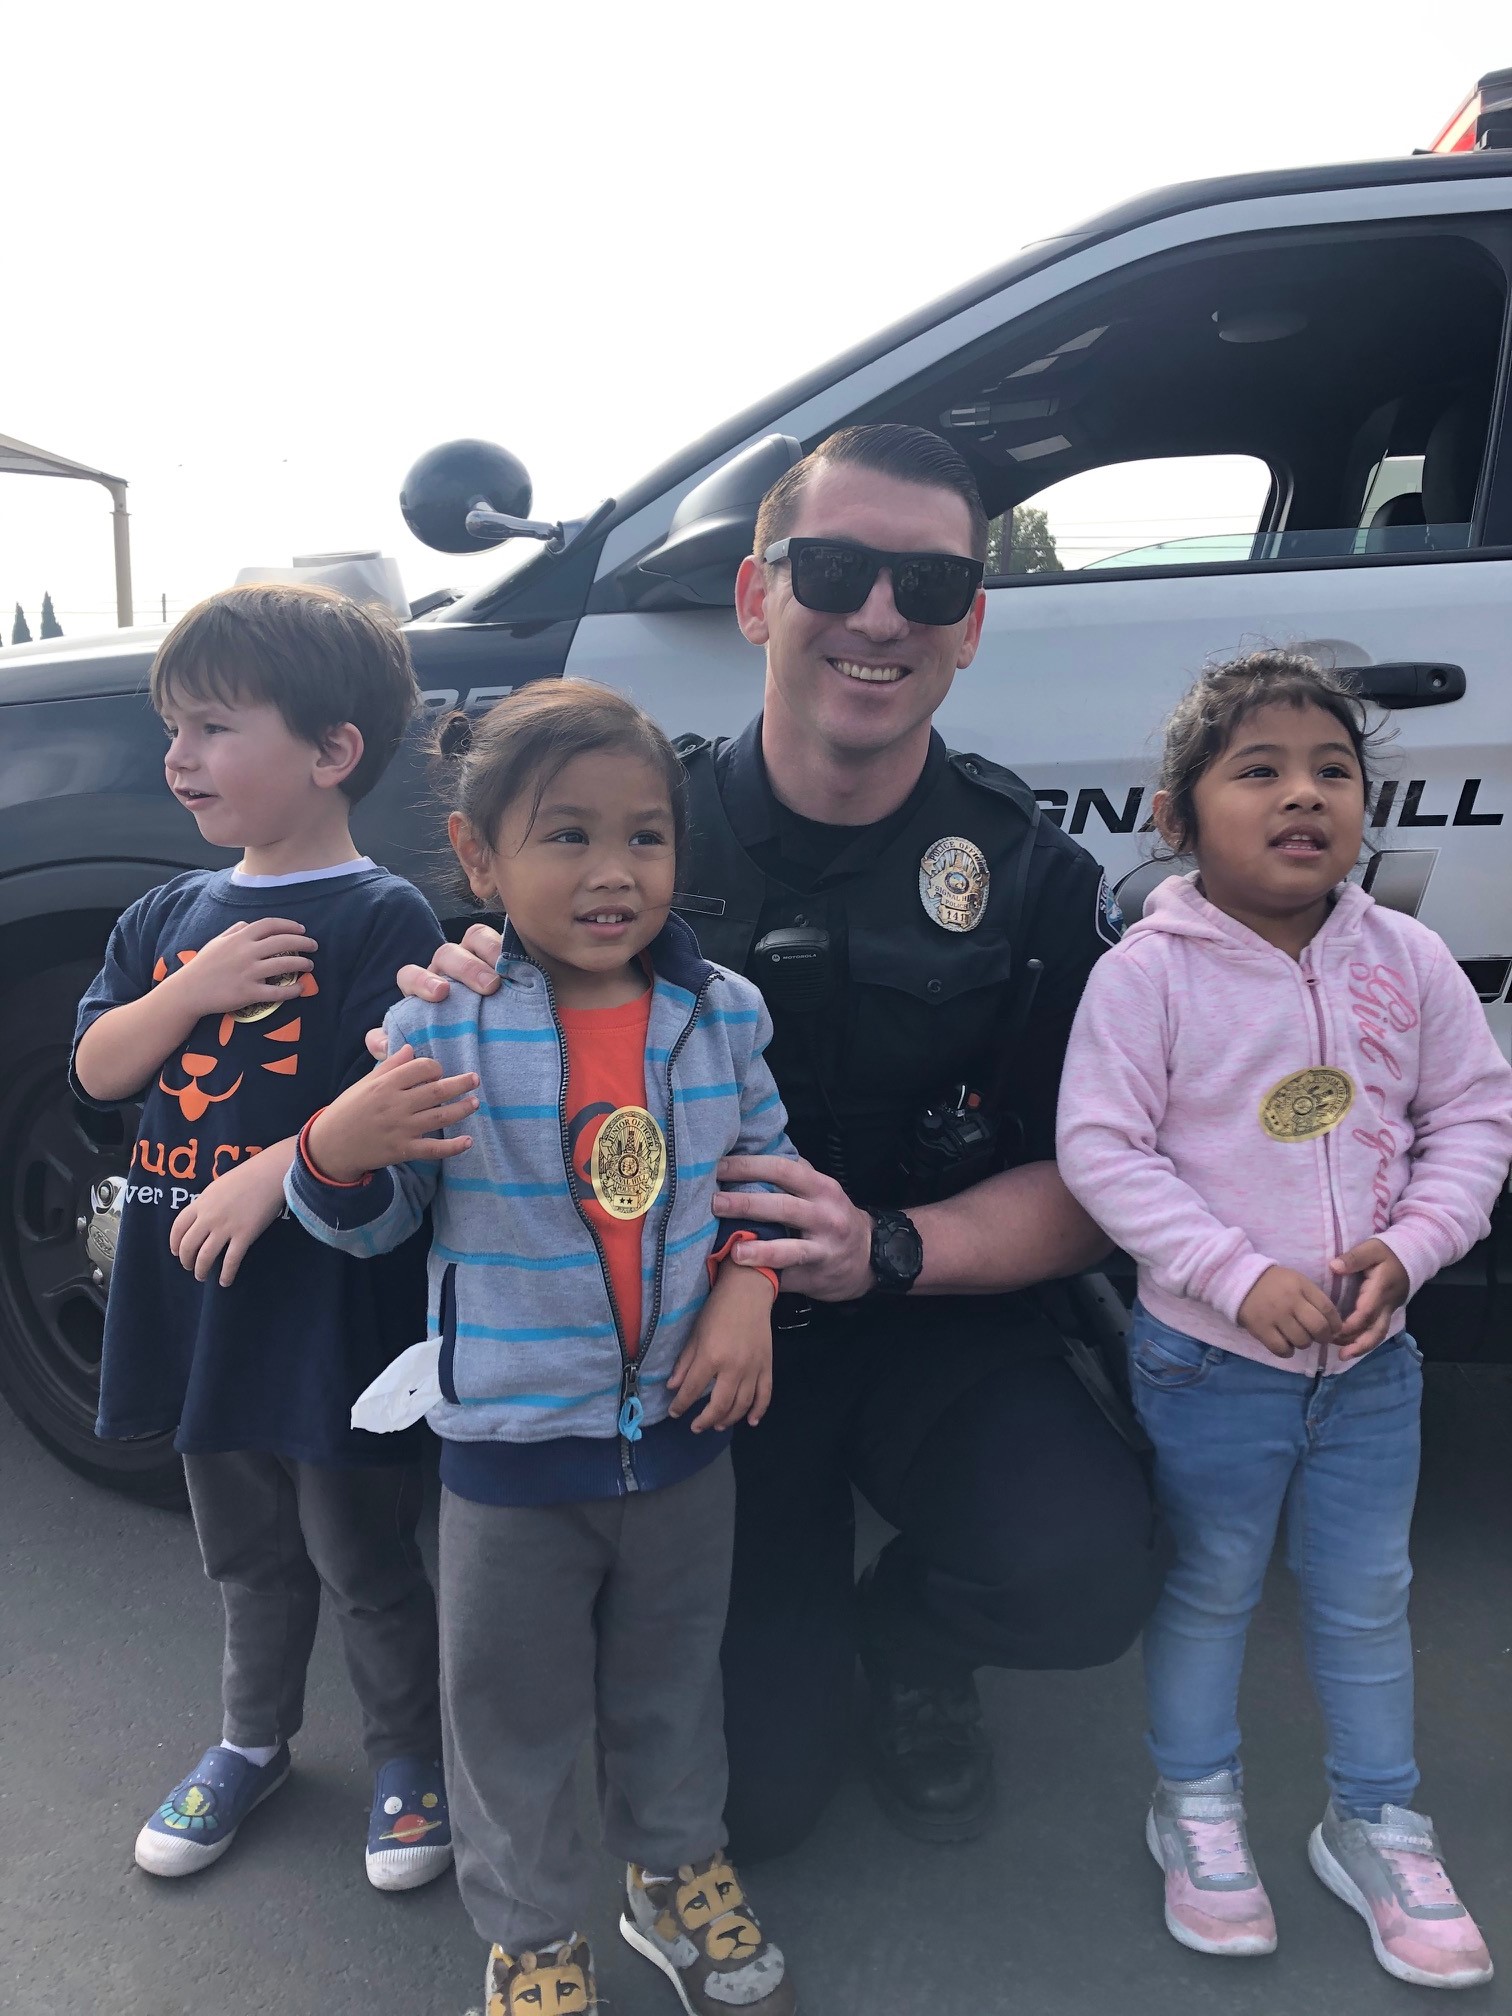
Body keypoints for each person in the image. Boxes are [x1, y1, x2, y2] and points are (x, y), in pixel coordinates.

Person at [381, 423, 1169, 1857]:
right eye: (838, 569)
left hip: (925, 1308)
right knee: (755, 1807)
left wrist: (891, 1248)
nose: (879, 614)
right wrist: (435, 1002)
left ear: (971, 628)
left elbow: (1099, 1187)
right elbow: (470, 1090)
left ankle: (914, 1642)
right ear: (757, 596)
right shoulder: (620, 830)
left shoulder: (1032, 873)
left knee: (1084, 1573)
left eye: (928, 586)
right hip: (687, 1351)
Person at [286, 682, 798, 2016]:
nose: (614, 873)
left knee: (675, 1689)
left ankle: (671, 1877)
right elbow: (370, 1221)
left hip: (687, 1445)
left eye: (645, 837)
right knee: (511, 1722)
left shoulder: (721, 1012)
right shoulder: (439, 1024)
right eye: (566, 837)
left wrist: (749, 1287)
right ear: (478, 857)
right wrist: (332, 1152)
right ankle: (530, 1938)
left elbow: (767, 1174)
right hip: (513, 1455)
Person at [1056, 653, 1512, 1988]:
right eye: (1259, 769)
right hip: (1209, 1363)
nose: (1303, 793)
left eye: (1333, 771)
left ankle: (1375, 1820)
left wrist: (1414, 1250)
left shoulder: (1409, 959)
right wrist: (1237, 1273)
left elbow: (1474, 1122)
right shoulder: (1150, 977)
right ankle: (1195, 1809)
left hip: (1376, 1367)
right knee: (1208, 1588)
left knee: (1369, 1596)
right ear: (1178, 814)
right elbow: (1104, 1151)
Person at [69, 584, 452, 1890]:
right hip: (194, 1308)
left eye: (214, 727)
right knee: (242, 1553)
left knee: (363, 1553)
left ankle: (407, 1759)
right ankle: (252, 1740)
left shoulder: (384, 917)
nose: (179, 758)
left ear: (333, 751)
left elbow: (397, 1107)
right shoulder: (168, 921)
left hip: (322, 1313)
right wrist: (196, 985)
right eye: (172, 728)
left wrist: (280, 1170)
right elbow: (103, 1069)